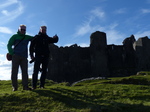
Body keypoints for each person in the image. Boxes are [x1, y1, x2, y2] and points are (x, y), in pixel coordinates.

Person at [7, 24, 33, 91]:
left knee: (25, 72)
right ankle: (15, 87)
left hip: (24, 57)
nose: (23, 31)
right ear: (18, 29)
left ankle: (25, 87)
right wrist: (12, 53)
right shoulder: (14, 36)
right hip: (15, 56)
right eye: (22, 29)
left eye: (24, 30)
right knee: (14, 72)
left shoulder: (27, 37)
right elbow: (9, 44)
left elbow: (35, 39)